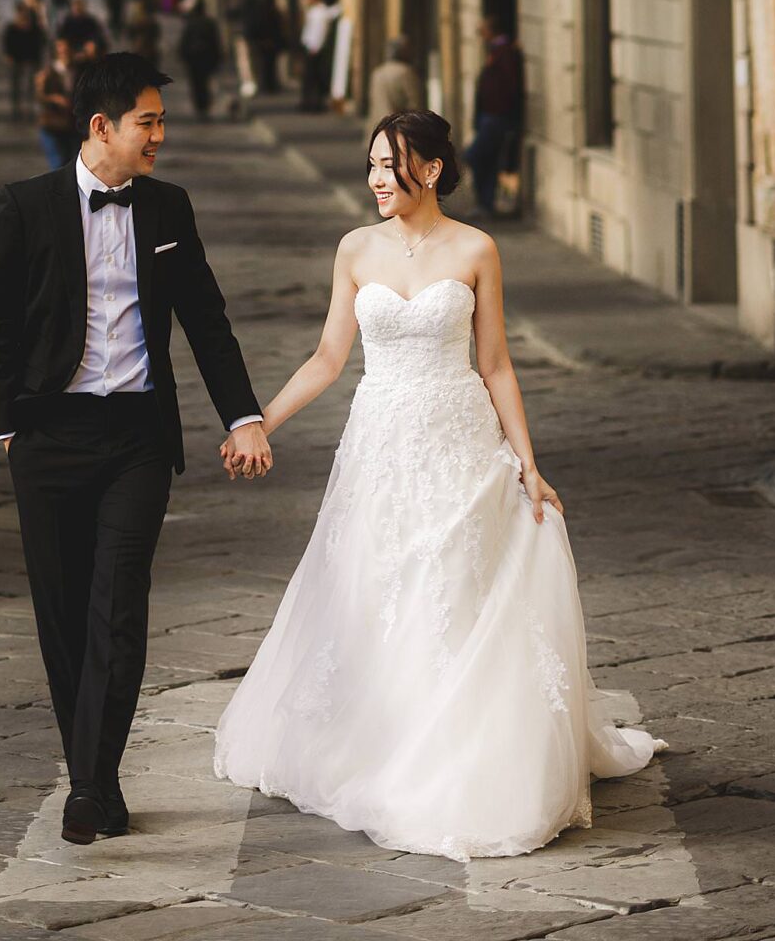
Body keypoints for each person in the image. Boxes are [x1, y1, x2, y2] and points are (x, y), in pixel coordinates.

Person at [213, 107, 661, 859]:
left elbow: (495, 365)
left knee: (455, 589)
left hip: (458, 443)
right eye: (371, 166)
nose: (376, 180)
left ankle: (459, 747)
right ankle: (382, 738)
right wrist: (258, 421)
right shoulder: (355, 249)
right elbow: (328, 357)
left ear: (431, 168)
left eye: (390, 166)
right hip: (381, 447)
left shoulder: (477, 249)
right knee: (377, 588)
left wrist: (527, 461)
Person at [0, 53, 272, 845]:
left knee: (117, 607)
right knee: (64, 616)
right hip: (49, 436)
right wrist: (11, 426)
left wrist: (242, 415)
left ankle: (90, 786)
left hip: (138, 436)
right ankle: (94, 781)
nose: (159, 137)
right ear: (102, 126)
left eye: (161, 122)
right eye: (149, 122)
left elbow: (206, 320)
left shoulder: (169, 209)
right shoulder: (25, 206)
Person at [464, 14, 525, 216]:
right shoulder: (496, 51)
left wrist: (502, 112)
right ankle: (485, 204)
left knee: (474, 156)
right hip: (489, 116)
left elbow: (509, 85)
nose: (480, 34)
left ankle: (485, 202)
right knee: (487, 160)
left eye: (483, 29)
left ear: (491, 30)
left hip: (496, 117)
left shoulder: (504, 51)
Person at [177, 0, 225, 119]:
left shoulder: (191, 23)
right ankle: (204, 105)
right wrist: (219, 57)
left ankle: (200, 106)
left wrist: (182, 55)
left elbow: (184, 41)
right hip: (206, 58)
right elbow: (216, 41)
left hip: (194, 58)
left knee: (196, 83)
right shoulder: (209, 23)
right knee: (205, 82)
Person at [2, 0, 48, 118]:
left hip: (31, 60)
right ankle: (16, 110)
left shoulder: (35, 28)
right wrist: (8, 55)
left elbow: (41, 43)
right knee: (16, 86)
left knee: (30, 86)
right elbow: (7, 43)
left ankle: (29, 109)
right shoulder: (11, 28)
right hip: (16, 60)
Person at [34, 44, 77, 172]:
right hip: (52, 123)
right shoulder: (47, 74)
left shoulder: (78, 70)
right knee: (58, 163)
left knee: (71, 162)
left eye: (67, 52)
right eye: (61, 52)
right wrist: (54, 98)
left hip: (72, 123)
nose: (65, 55)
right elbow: (39, 97)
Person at [298, 0, 338, 112]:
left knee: (312, 78)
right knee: (311, 78)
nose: (306, 1)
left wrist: (314, 48)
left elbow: (319, 32)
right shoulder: (317, 11)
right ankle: (311, 103)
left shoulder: (319, 13)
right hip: (311, 47)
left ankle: (313, 104)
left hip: (314, 48)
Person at [368, 33, 421, 110]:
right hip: (399, 121)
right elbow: (415, 103)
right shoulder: (405, 72)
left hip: (379, 121)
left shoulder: (377, 72)